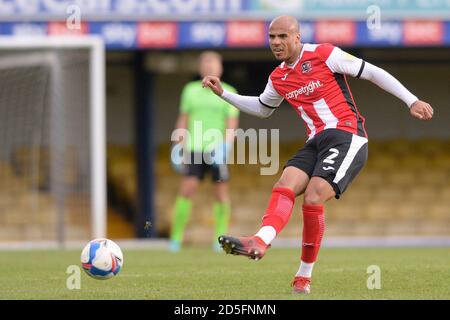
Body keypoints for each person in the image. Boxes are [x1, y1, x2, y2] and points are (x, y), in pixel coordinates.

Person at [202, 16, 433, 293]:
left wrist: (412, 100)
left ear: (297, 37)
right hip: (316, 140)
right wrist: (223, 94)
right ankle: (260, 241)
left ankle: (303, 276)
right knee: (284, 184)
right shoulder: (278, 77)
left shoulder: (324, 54)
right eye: (272, 37)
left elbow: (372, 72)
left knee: (313, 196)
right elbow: (263, 108)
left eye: (283, 37)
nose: (276, 42)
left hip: (348, 135)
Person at [170, 51, 239, 252]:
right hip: (194, 149)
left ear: (220, 68)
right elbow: (183, 119)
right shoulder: (190, 91)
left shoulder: (228, 91)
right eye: (206, 64)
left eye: (213, 64)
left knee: (220, 193)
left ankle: (219, 241)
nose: (209, 68)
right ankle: (175, 239)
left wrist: (225, 147)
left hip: (216, 150)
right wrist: (177, 145)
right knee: (186, 190)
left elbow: (231, 124)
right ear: (200, 69)